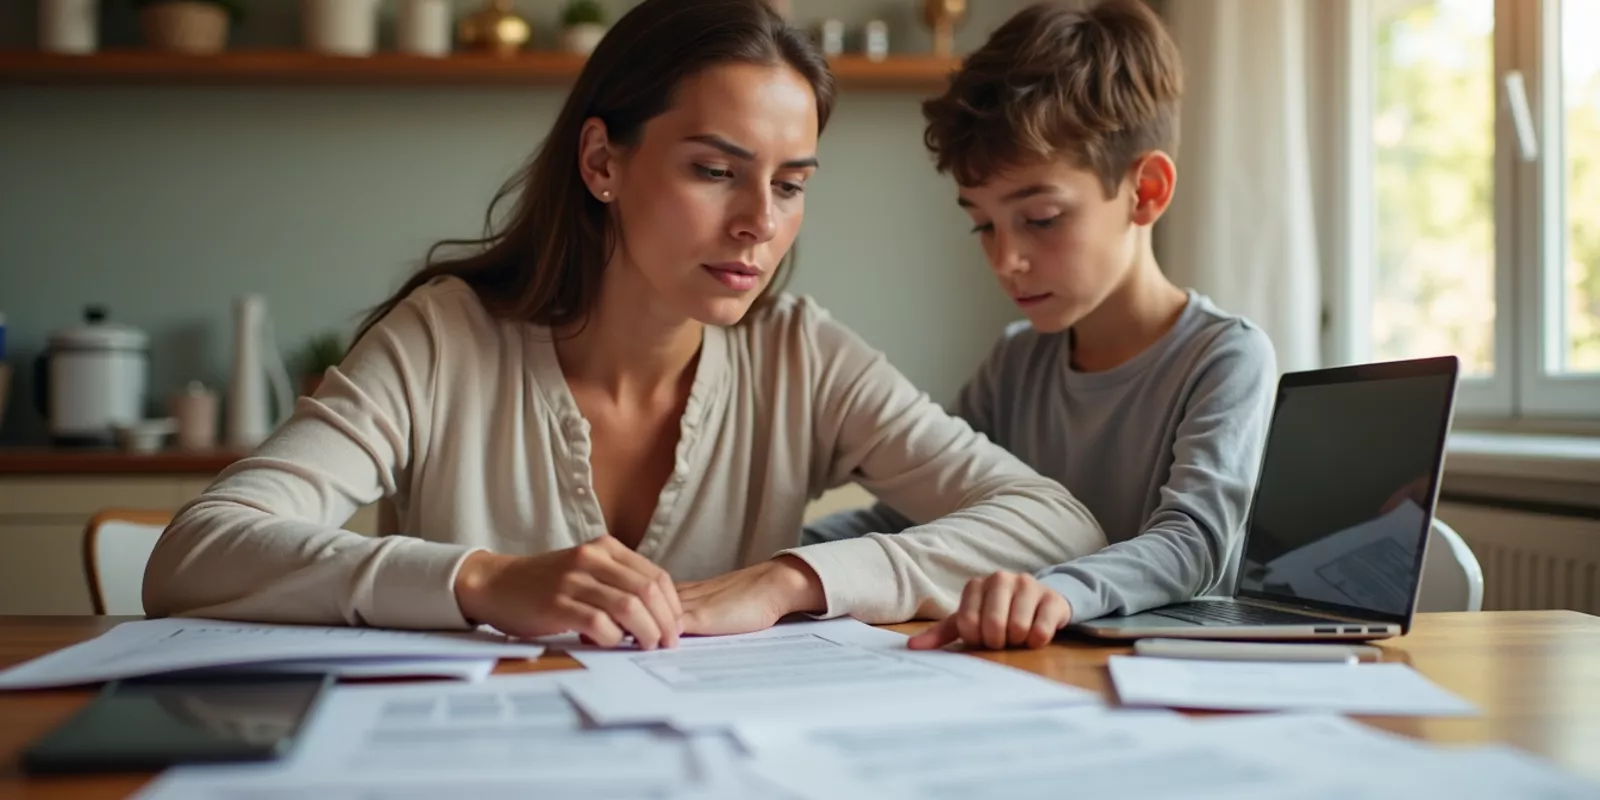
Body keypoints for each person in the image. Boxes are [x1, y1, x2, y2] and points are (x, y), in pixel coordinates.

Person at [141, 0, 1107, 650]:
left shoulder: (801, 354)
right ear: (602, 163)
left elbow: (1055, 521)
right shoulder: (446, 339)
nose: (759, 224)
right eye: (714, 169)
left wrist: (791, 579)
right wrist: (479, 581)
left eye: (791, 184)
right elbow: (198, 552)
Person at [806, 0, 1278, 651]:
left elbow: (1191, 546)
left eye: (1042, 218)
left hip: (1174, 680)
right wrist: (769, 561)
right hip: (1035, 669)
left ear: (1145, 193)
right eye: (983, 224)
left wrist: (1054, 591)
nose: (1006, 260)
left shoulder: (1226, 357)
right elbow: (909, 512)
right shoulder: (1017, 362)